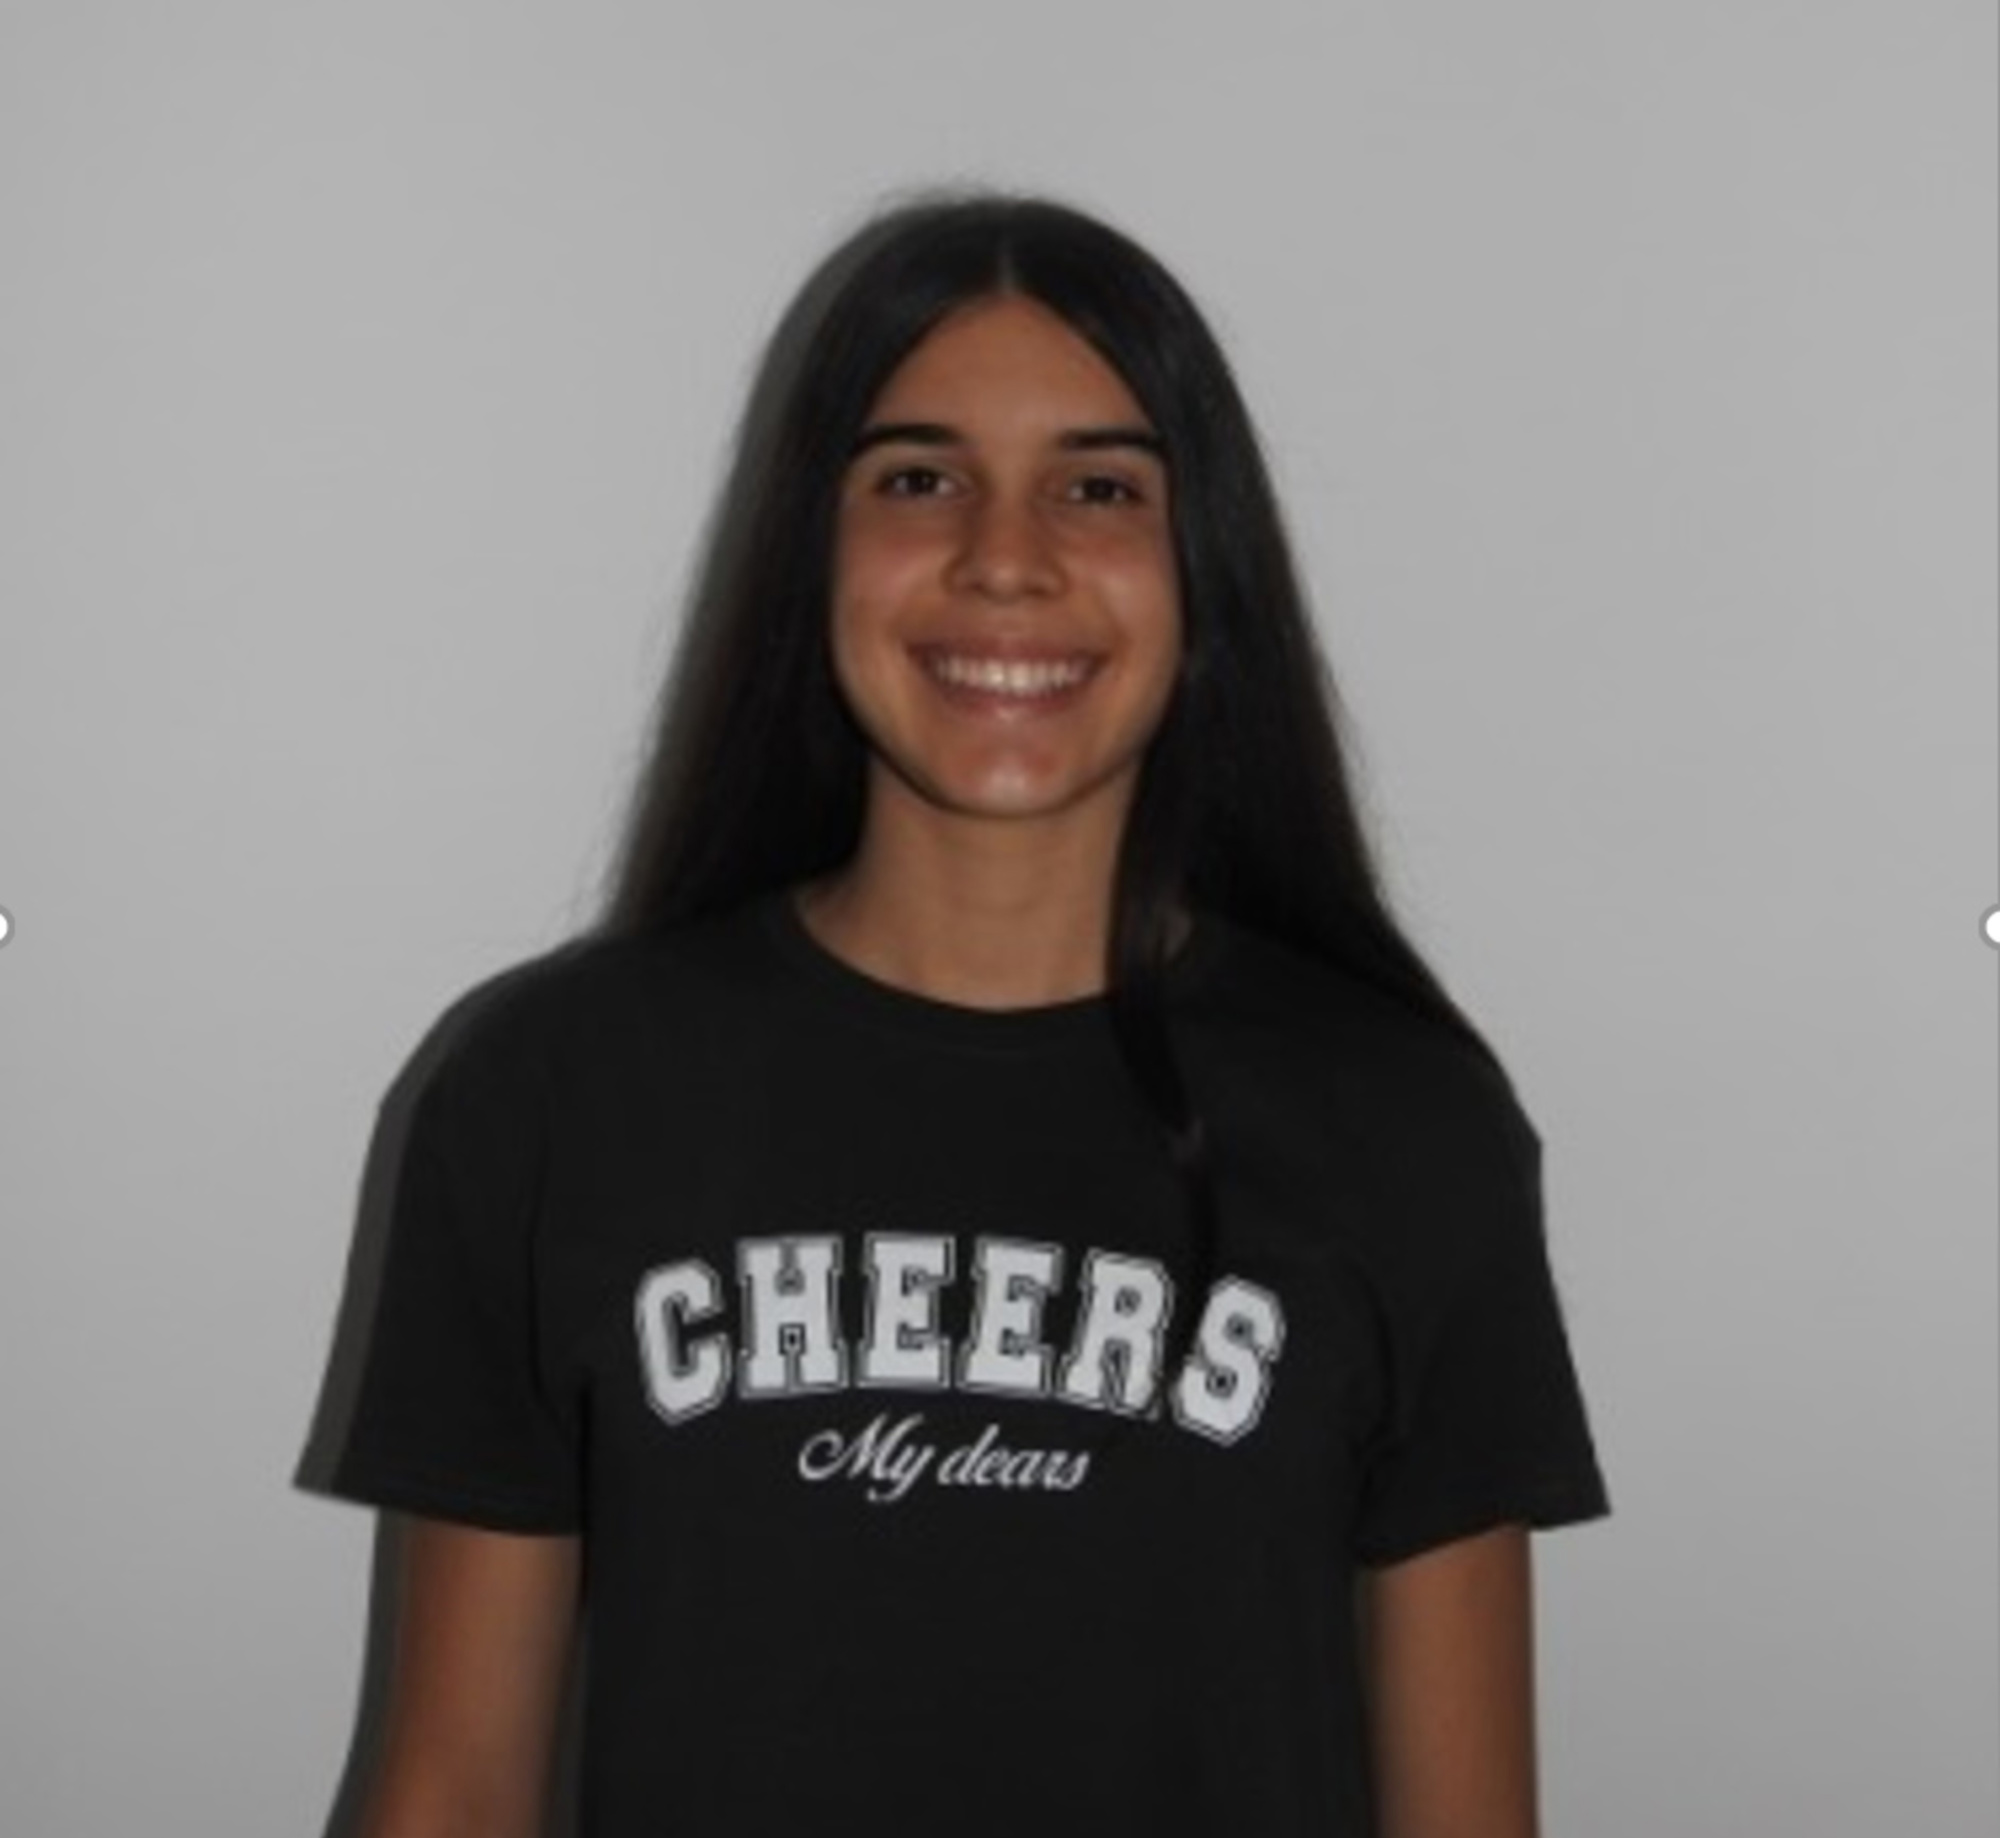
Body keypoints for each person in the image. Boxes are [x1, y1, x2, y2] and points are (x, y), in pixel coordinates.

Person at [300, 186, 1610, 1838]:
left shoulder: (1411, 1126)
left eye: (1099, 486)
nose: (1006, 557)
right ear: (814, 550)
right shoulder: (548, 1093)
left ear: (1203, 569)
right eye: (920, 478)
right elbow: (450, 1788)